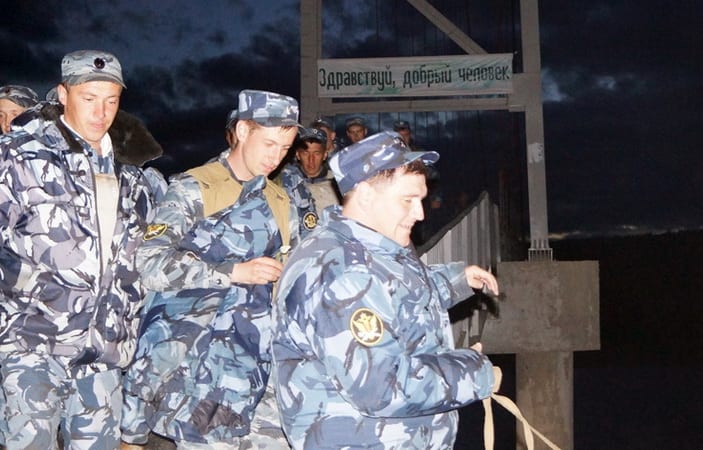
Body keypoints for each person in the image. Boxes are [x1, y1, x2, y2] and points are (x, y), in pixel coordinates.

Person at [271, 131, 502, 448]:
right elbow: (382, 388)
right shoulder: (341, 273)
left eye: (421, 200)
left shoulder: (368, 247)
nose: (420, 214)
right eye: (408, 200)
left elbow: (393, 293)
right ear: (366, 195)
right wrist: (475, 371)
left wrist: (455, 281)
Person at [121, 89, 303, 450]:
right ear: (242, 131)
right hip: (197, 374)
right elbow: (150, 264)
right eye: (269, 144)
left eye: (285, 148)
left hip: (259, 371)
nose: (276, 157)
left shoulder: (281, 201)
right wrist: (233, 272)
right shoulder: (195, 188)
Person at [0, 49, 164, 449]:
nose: (101, 112)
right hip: (32, 344)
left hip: (104, 354)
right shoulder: (19, 158)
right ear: (63, 95)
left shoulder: (134, 176)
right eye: (88, 98)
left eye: (111, 100)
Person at [282, 127, 341, 212]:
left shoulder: (338, 183)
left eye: (316, 153)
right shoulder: (285, 181)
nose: (311, 160)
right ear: (297, 154)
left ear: (325, 155)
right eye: (305, 153)